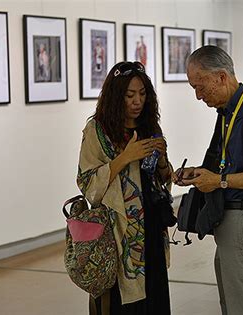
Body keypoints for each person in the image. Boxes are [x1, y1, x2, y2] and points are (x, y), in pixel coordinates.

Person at [173, 45, 243, 314]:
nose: (198, 96)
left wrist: (220, 181)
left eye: (200, 86)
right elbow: (228, 165)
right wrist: (201, 173)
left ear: (222, 77)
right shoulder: (227, 114)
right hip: (228, 220)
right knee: (233, 304)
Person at [77, 61, 174, 315]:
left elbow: (164, 177)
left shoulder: (149, 127)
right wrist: (125, 157)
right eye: (130, 95)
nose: (137, 101)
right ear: (115, 95)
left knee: (154, 297)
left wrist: (162, 159)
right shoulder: (97, 130)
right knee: (124, 303)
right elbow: (88, 184)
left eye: (142, 94)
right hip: (118, 231)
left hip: (151, 227)